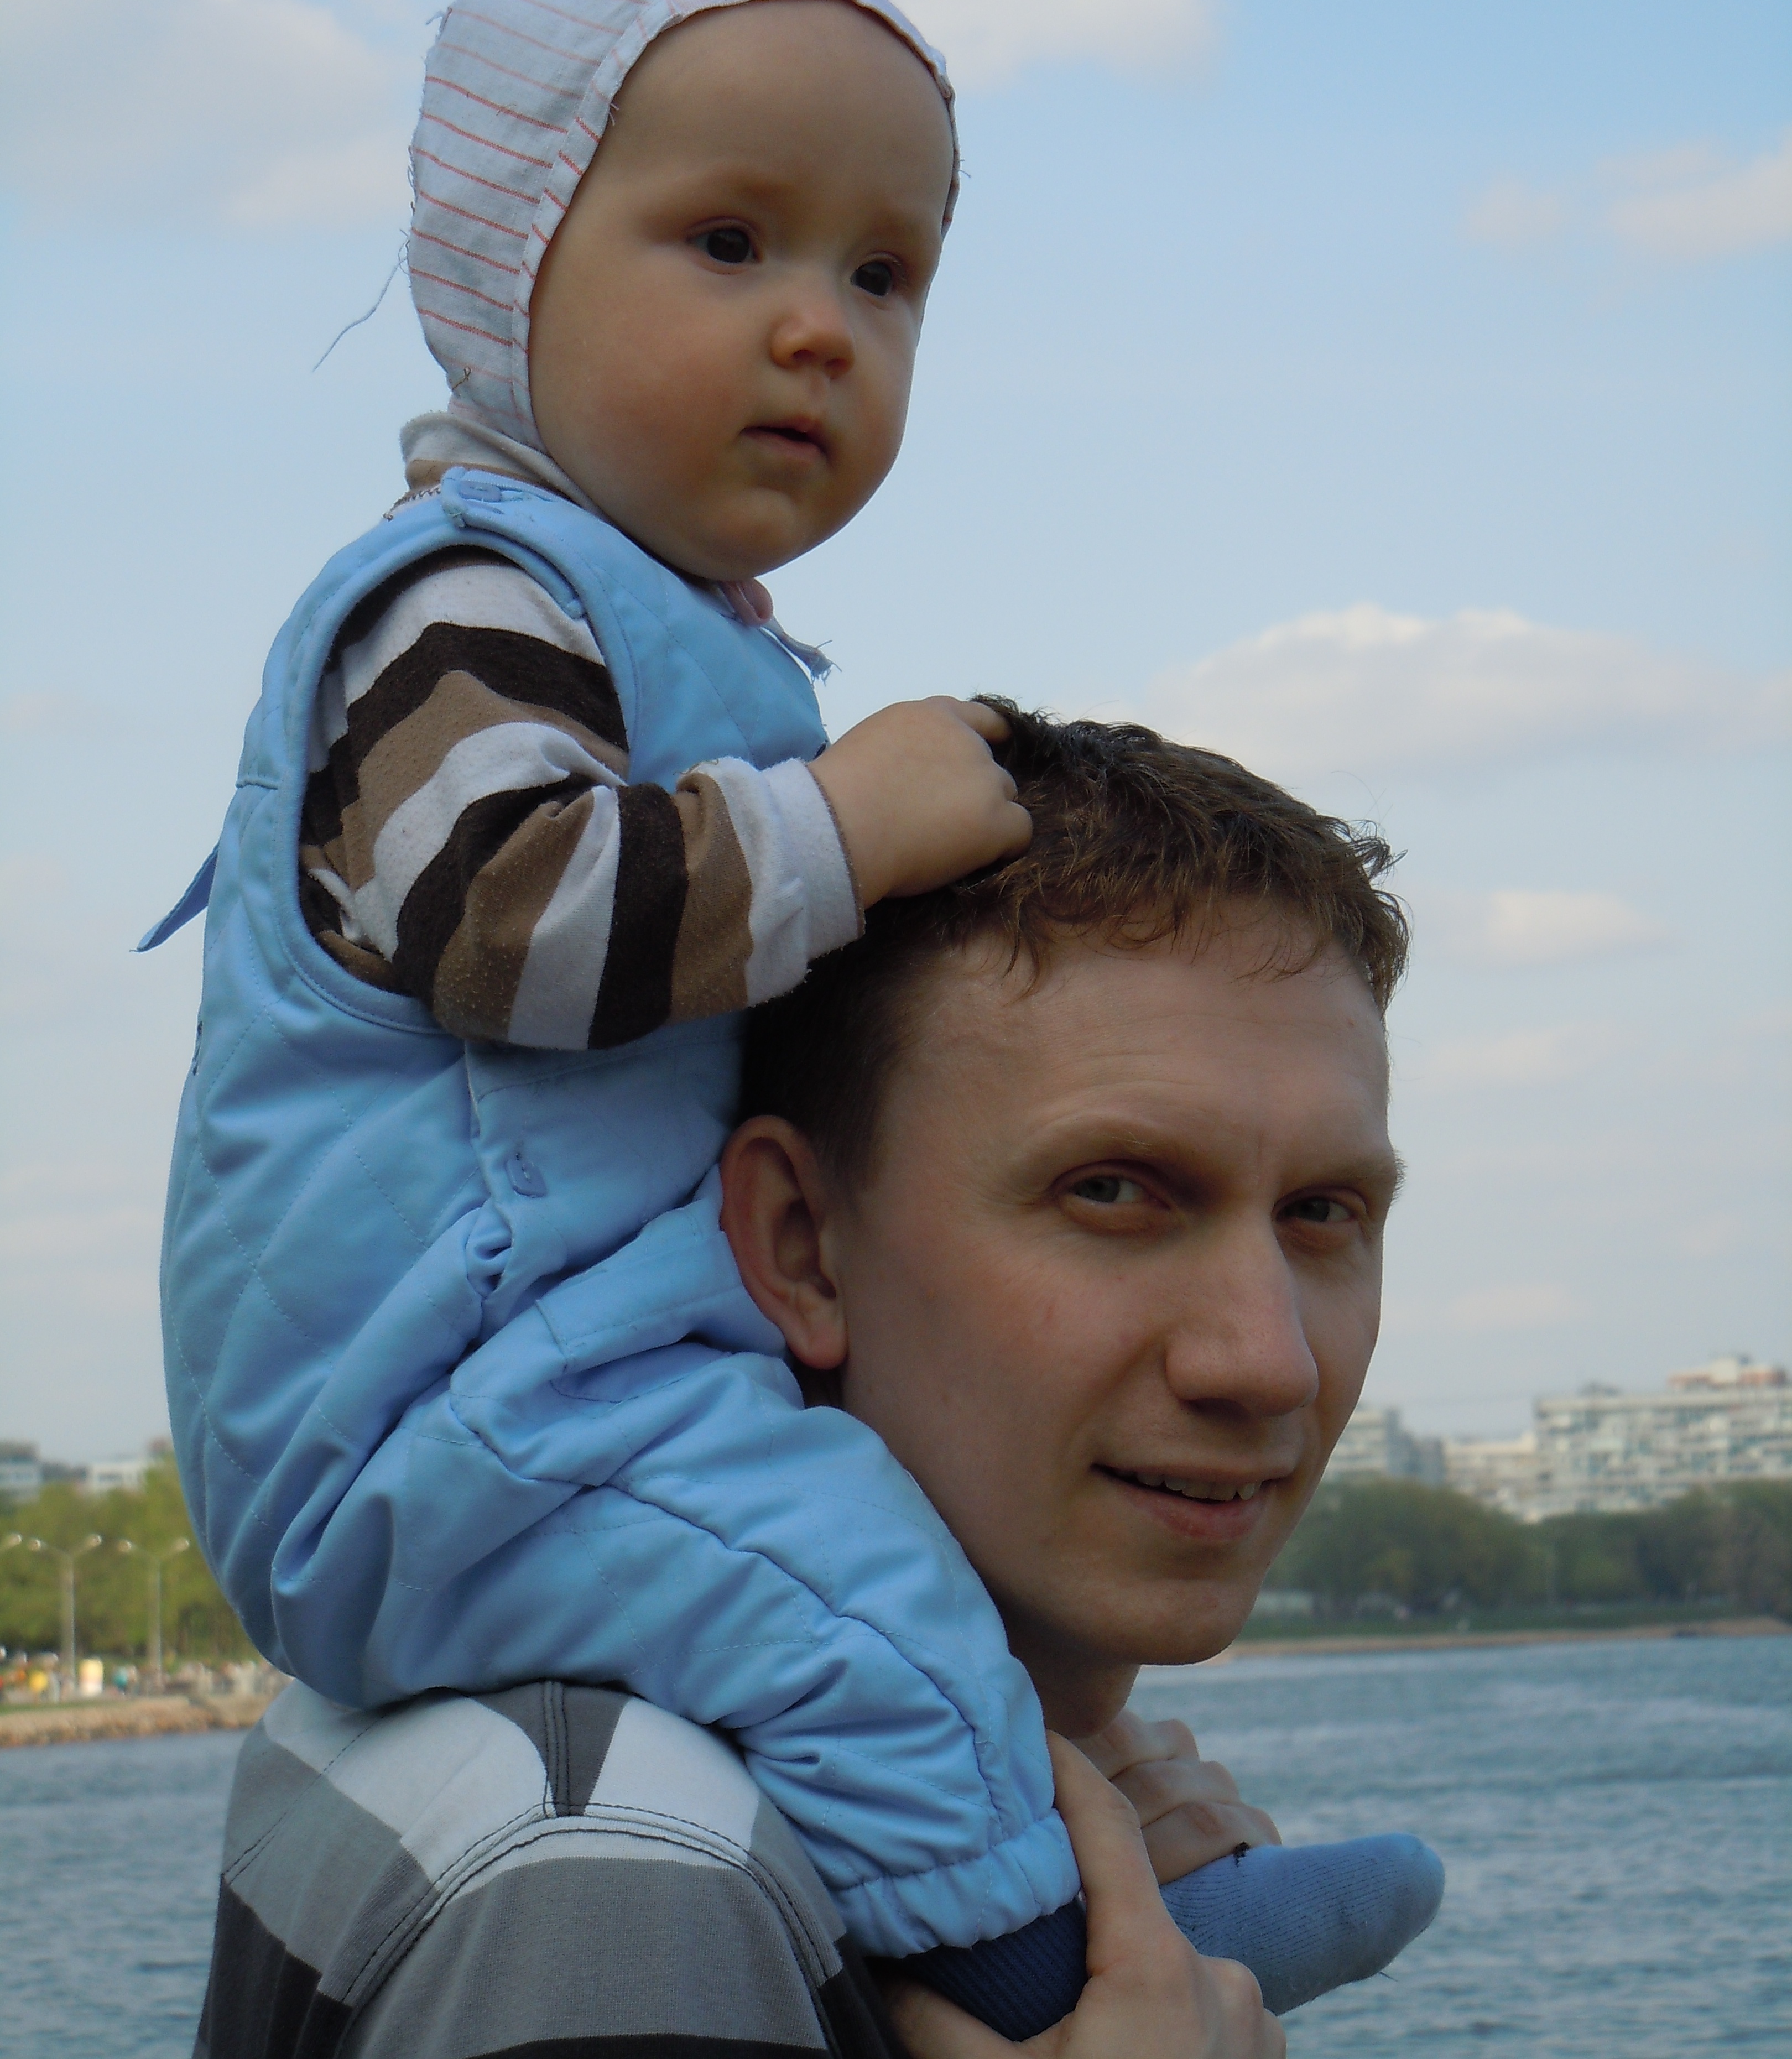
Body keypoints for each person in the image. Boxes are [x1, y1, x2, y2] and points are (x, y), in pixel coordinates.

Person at [153, 0, 1434, 2036]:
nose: (820, 330)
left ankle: (1135, 1860)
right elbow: (510, 918)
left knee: (858, 1566)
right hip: (452, 1407)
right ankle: (1058, 1971)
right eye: (732, 242)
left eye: (884, 274)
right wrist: (842, 825)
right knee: (838, 1597)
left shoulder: (640, 634)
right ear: (503, 265)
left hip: (550, 1384)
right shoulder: (459, 606)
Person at [193, 713, 1439, 2058]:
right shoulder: (611, 1874)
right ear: (797, 1245)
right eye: (1114, 1192)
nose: (1266, 1359)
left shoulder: (596, 1798)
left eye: (1324, 1213)